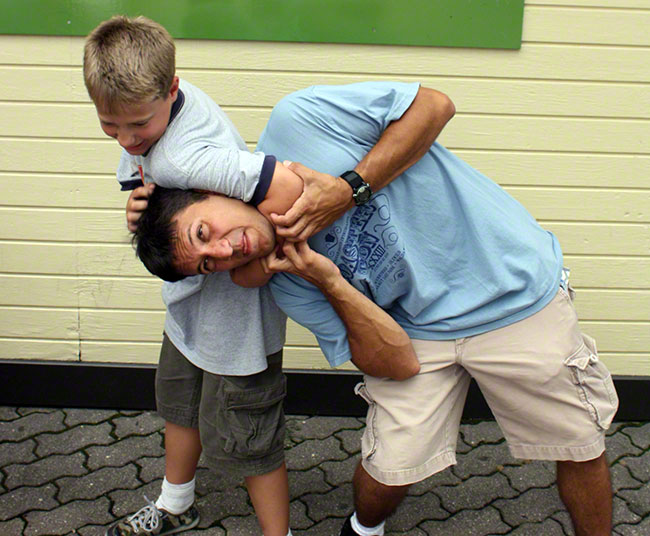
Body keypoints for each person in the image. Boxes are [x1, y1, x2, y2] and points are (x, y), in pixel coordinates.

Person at [133, 81, 619, 536]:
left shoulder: (298, 122)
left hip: (513, 294)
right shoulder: (291, 283)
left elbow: (435, 105)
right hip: (414, 332)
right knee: (384, 475)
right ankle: (363, 528)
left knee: (578, 444)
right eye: (207, 266)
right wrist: (326, 278)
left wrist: (349, 188)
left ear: (210, 189)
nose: (222, 252)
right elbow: (397, 363)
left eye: (203, 232)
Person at [83, 16, 453, 536]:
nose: (125, 139)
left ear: (171, 90)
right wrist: (140, 210)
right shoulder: (153, 114)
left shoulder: (188, 155)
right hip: (189, 309)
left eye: (135, 126)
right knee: (180, 405)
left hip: (239, 324)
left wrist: (251, 259)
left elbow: (284, 194)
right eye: (109, 125)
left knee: (252, 439)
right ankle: (175, 502)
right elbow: (145, 189)